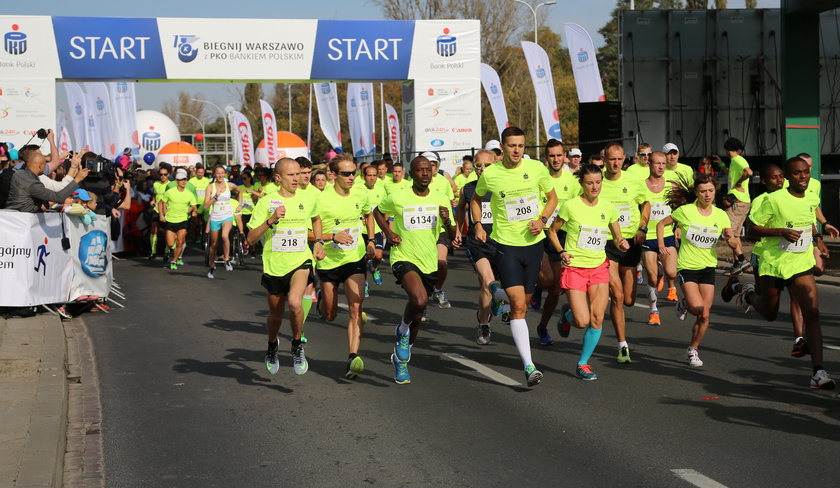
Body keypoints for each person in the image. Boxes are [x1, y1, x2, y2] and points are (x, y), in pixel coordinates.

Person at [722, 156, 837, 389]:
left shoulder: (812, 197)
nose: (803, 177)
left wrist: (818, 242)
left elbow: (808, 221)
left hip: (800, 262)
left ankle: (818, 372)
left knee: (812, 312)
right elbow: (752, 229)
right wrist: (779, 232)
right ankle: (746, 293)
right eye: (797, 173)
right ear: (788, 176)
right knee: (770, 312)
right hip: (773, 262)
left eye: (805, 172)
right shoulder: (773, 200)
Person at [471, 126, 558, 386]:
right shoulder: (492, 174)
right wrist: (477, 224)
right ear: (503, 147)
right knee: (519, 307)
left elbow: (552, 198)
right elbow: (476, 199)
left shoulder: (537, 170)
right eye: (511, 145)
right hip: (506, 246)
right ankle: (529, 366)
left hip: (534, 245)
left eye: (521, 145)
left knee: (525, 300)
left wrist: (542, 220)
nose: (517, 150)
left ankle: (497, 293)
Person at [374, 155, 454, 384]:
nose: (425, 174)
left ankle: (401, 362)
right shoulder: (398, 197)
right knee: (418, 300)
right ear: (412, 173)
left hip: (429, 261)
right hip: (404, 257)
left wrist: (447, 221)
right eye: (420, 170)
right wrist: (389, 234)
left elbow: (451, 232)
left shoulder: (441, 199)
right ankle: (401, 330)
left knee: (418, 315)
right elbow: (377, 211)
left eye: (428, 170)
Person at [548, 164, 629, 381]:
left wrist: (622, 243)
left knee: (596, 319)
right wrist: (561, 251)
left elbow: (616, 236)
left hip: (598, 268)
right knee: (581, 321)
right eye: (590, 183)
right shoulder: (570, 206)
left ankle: (583, 363)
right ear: (582, 184)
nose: (595, 187)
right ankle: (567, 314)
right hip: (575, 268)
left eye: (598, 182)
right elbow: (552, 231)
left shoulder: (609, 207)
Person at [247, 158, 325, 376]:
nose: (297, 178)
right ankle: (272, 345)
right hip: (274, 265)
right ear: (278, 178)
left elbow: (317, 219)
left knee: (294, 302)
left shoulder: (308, 198)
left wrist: (318, 241)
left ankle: (297, 345)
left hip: (300, 260)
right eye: (291, 175)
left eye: (298, 174)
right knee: (275, 315)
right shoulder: (266, 202)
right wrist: (270, 221)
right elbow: (251, 238)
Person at [656, 174, 735, 367]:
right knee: (697, 308)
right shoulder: (685, 211)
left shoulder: (721, 215)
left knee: (705, 314)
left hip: (708, 266)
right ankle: (685, 302)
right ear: (696, 193)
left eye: (710, 190)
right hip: (687, 266)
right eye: (703, 191)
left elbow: (730, 236)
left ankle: (693, 349)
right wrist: (661, 246)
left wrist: (733, 243)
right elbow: (660, 224)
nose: (707, 195)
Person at [314, 156, 376, 379]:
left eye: (354, 173)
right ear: (333, 174)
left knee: (355, 308)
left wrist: (371, 240)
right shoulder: (320, 199)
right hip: (329, 262)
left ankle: (353, 357)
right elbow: (309, 231)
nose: (352, 177)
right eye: (346, 174)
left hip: (354, 259)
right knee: (329, 315)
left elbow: (369, 214)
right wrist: (331, 236)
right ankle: (321, 298)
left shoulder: (361, 192)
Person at [599, 142, 649, 364]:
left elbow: (645, 203)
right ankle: (622, 345)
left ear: (625, 159)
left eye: (619, 159)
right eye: (611, 159)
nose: (615, 163)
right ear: (605, 159)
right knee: (617, 296)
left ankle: (571, 313)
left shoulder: (633, 180)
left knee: (628, 299)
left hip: (630, 242)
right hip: (606, 243)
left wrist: (643, 227)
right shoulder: (596, 180)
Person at [534, 138, 580, 345]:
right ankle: (536, 287)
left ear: (565, 157)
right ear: (546, 158)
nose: (555, 159)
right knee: (546, 280)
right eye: (551, 155)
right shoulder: (539, 178)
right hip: (540, 233)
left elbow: (581, 206)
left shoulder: (572, 181)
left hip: (561, 235)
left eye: (559, 155)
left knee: (555, 288)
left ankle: (543, 327)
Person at [454, 149, 501, 345]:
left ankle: (489, 309)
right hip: (477, 243)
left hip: (500, 241)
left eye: (487, 165)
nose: (482, 169)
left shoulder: (502, 187)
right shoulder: (468, 188)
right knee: (487, 282)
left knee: (495, 286)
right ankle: (484, 324)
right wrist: (458, 231)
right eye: (478, 166)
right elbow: (460, 210)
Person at [641, 152, 678, 326]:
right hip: (648, 237)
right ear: (649, 163)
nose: (661, 166)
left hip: (668, 235)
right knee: (652, 278)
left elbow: (680, 210)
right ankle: (653, 311)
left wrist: (678, 228)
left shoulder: (671, 186)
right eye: (658, 163)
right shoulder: (641, 187)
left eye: (663, 163)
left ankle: (664, 272)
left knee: (672, 272)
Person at [6, 148, 88, 212]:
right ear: (40, 166)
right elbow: (58, 197)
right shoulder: (33, 184)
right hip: (24, 221)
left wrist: (38, 203)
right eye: (46, 165)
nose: (47, 168)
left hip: (14, 216)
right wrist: (77, 179)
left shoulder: (18, 174)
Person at [204, 164, 243, 278]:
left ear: (225, 174)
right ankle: (212, 265)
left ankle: (226, 258)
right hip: (215, 216)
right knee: (214, 244)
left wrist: (240, 205)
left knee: (225, 236)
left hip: (227, 215)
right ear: (214, 174)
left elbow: (240, 191)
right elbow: (206, 206)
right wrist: (214, 197)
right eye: (218, 173)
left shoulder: (229, 185)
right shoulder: (210, 187)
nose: (220, 175)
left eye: (222, 173)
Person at [352, 164, 387, 287]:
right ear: (363, 177)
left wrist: (385, 226)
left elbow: (384, 210)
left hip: (376, 228)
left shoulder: (381, 190)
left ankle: (373, 268)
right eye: (369, 175)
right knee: (363, 258)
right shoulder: (357, 189)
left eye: (374, 175)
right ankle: (364, 282)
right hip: (361, 231)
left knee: (378, 256)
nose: (372, 178)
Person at [723, 138, 753, 276]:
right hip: (742, 201)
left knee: (727, 233)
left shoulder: (737, 160)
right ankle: (737, 265)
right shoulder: (735, 161)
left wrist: (738, 183)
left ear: (727, 149)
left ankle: (741, 259)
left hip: (738, 201)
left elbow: (749, 172)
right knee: (735, 235)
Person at [159, 169, 198, 270]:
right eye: (181, 180)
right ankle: (172, 251)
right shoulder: (170, 192)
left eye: (185, 179)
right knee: (171, 243)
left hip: (183, 220)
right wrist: (161, 215)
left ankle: (174, 261)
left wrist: (191, 211)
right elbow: (160, 202)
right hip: (171, 220)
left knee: (180, 242)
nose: (183, 181)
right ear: (176, 181)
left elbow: (194, 207)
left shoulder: (189, 194)